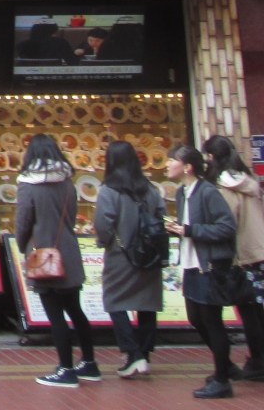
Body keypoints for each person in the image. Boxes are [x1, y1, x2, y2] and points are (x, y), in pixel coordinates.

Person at [16, 132, 97, 388]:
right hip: (69, 253)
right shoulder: (68, 182)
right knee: (75, 310)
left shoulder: (28, 184)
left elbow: (23, 222)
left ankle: (66, 369)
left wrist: (22, 246)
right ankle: (90, 363)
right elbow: (71, 216)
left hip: (43, 256)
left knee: (55, 315)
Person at [165, 144, 239, 399]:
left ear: (187, 167)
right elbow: (189, 225)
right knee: (196, 318)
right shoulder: (182, 192)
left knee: (212, 321)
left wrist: (190, 230)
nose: (167, 164)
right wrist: (178, 228)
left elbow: (227, 227)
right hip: (191, 264)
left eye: (172, 160)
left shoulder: (207, 192)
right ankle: (225, 366)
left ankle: (222, 380)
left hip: (209, 266)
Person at [94, 140, 164, 378]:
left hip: (120, 254)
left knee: (114, 301)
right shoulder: (150, 189)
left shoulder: (109, 190)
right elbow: (162, 216)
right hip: (150, 255)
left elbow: (103, 224)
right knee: (147, 303)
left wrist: (104, 242)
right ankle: (144, 354)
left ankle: (132, 353)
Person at [203, 134, 264, 382]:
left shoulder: (225, 186)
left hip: (244, 253)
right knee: (256, 309)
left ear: (212, 157)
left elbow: (226, 222)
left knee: (248, 309)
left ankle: (258, 360)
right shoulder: (247, 180)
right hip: (259, 249)